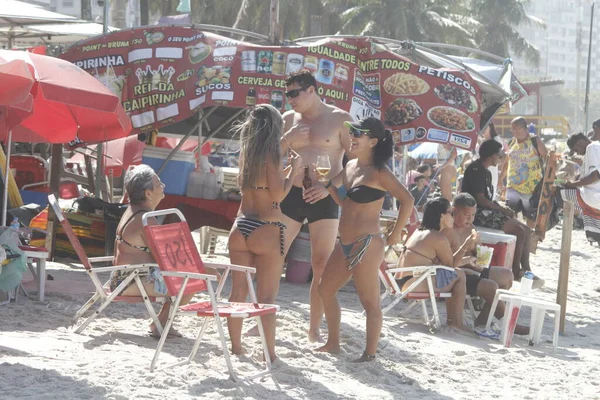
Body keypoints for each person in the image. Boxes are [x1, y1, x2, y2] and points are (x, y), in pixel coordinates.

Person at [316, 117, 414, 361]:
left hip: (368, 243)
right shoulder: (351, 166)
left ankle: (369, 354)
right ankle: (333, 343)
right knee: (324, 289)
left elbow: (408, 200)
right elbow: (346, 202)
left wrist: (394, 234)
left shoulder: (380, 172)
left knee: (369, 302)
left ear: (373, 141)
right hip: (345, 241)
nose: (353, 137)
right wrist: (329, 185)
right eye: (353, 132)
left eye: (359, 133)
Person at [279, 70, 353, 342]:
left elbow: (356, 162)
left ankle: (314, 328)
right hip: (291, 192)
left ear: (312, 90)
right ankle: (263, 317)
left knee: (320, 263)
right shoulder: (287, 120)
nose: (290, 100)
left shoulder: (340, 119)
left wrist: (329, 187)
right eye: (287, 95)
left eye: (294, 94)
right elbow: (270, 156)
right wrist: (287, 140)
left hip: (324, 196)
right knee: (274, 257)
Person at [227, 104, 303, 361]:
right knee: (267, 297)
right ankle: (269, 353)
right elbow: (278, 194)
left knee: (237, 293)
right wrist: (294, 171)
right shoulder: (272, 154)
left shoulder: (246, 154)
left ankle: (236, 347)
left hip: (240, 226)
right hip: (267, 228)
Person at [111, 164, 192, 338]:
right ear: (148, 193)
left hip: (122, 279)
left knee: (186, 277)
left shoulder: (133, 213)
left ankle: (161, 323)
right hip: (130, 283)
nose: (163, 186)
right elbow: (166, 260)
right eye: (159, 184)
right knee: (190, 282)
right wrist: (202, 268)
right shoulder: (145, 219)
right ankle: (161, 324)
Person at [441, 193, 529, 335]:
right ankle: (510, 322)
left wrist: (479, 253)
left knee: (507, 276)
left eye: (473, 215)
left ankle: (483, 319)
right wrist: (467, 259)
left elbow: (477, 251)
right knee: (492, 287)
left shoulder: (470, 227)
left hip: (473, 269)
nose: (470, 219)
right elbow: (447, 261)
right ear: (454, 210)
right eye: (466, 215)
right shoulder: (447, 230)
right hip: (458, 274)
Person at [461, 139, 544, 287]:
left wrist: (502, 208)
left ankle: (525, 269)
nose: (501, 158)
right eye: (500, 155)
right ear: (492, 156)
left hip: (484, 210)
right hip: (476, 213)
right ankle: (516, 270)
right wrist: (501, 209)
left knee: (526, 230)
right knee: (519, 230)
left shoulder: (484, 171)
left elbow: (486, 199)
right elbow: (480, 200)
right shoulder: (476, 170)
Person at [395, 197, 473, 332]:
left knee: (456, 274)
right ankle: (456, 322)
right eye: (451, 213)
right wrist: (467, 243)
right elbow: (451, 267)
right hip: (413, 284)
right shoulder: (438, 237)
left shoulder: (420, 231)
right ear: (442, 215)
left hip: (400, 281)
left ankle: (453, 321)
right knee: (459, 275)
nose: (453, 217)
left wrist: (467, 260)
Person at [499, 116, 548, 227]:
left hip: (531, 189)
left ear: (523, 128)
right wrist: (501, 178)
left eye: (516, 128)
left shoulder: (535, 141)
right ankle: (515, 236)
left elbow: (547, 158)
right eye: (512, 129)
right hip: (512, 186)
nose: (513, 131)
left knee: (530, 216)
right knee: (511, 213)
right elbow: (507, 161)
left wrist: (548, 180)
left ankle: (529, 238)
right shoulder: (512, 142)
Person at [561, 132, 600, 244]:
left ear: (581, 142)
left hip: (594, 197)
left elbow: (595, 176)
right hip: (594, 196)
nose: (577, 152)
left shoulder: (592, 148)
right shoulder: (596, 147)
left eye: (576, 149)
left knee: (559, 192)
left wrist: (574, 184)